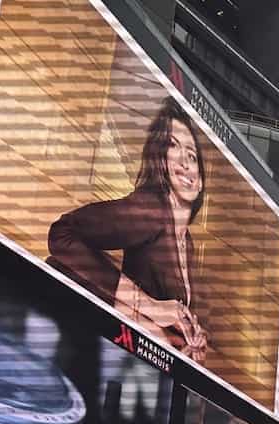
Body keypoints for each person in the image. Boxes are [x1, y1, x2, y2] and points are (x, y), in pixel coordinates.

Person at [48, 96, 209, 362]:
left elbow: (162, 311)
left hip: (125, 357)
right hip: (70, 327)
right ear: (162, 160)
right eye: (173, 146)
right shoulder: (149, 211)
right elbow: (62, 234)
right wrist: (149, 307)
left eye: (191, 155)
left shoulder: (187, 242)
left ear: (201, 181)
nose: (184, 161)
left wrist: (189, 332)